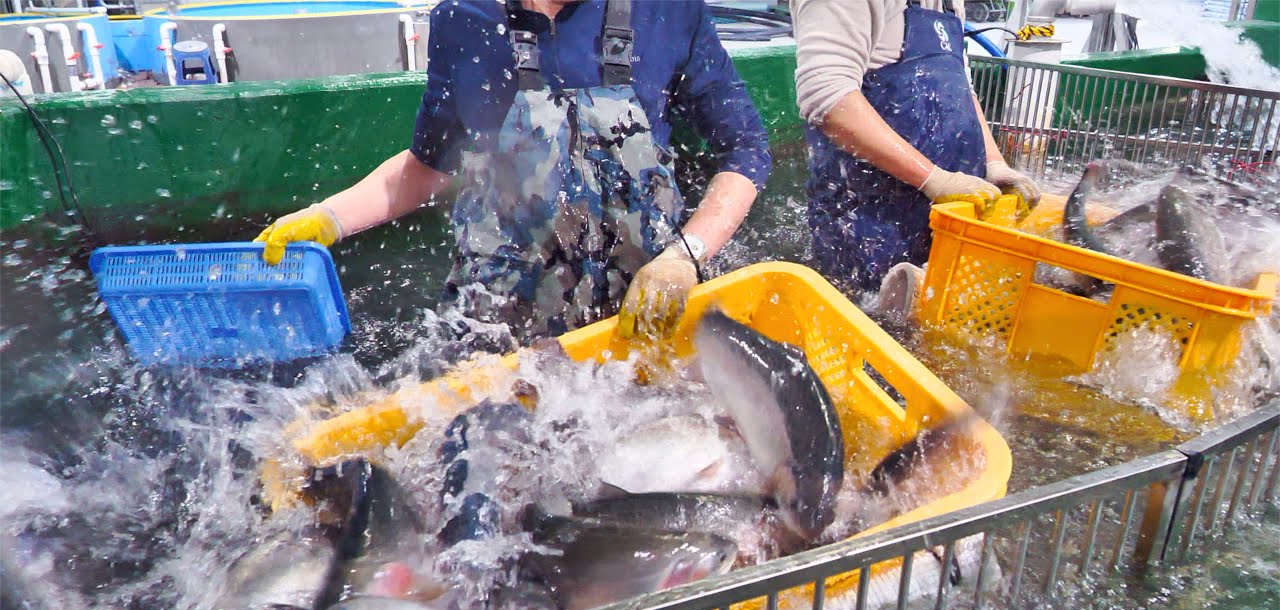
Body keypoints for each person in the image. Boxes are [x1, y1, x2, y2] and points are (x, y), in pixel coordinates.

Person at [255, 0, 770, 342]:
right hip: (500, 325)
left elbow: (745, 150)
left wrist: (686, 257)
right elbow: (428, 166)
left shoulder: (671, 10)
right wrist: (328, 218)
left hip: (639, 313)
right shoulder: (462, 19)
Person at [793, 0, 1041, 303]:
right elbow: (829, 100)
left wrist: (994, 163)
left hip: (947, 224)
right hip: (869, 230)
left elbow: (961, 88)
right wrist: (935, 180)